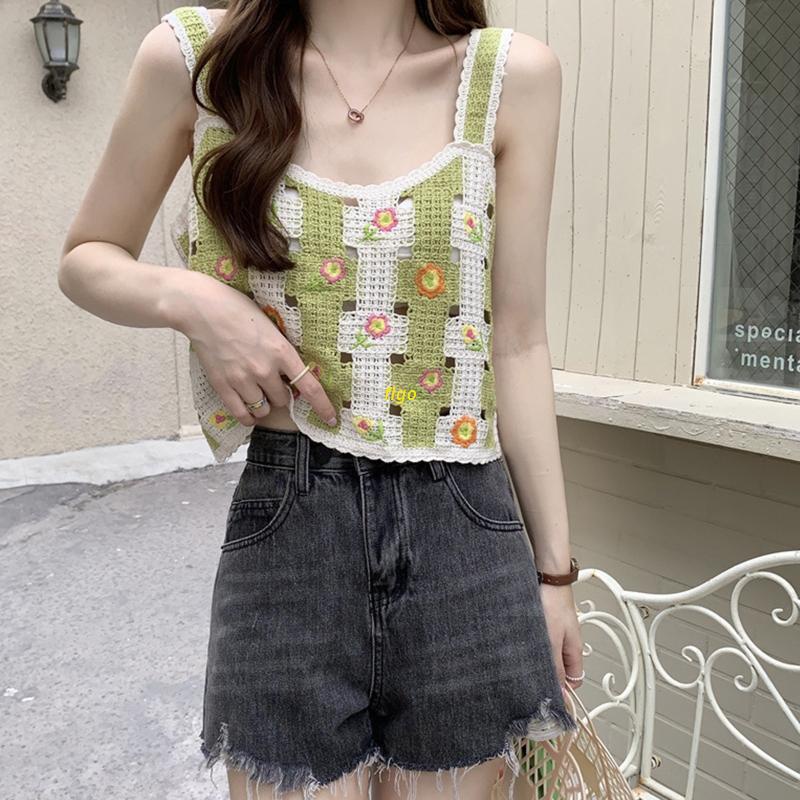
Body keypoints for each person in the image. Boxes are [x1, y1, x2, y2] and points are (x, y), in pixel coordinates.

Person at [58, 1, 584, 798]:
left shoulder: (510, 78)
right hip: (290, 516)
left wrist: (555, 577)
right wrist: (196, 302)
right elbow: (86, 257)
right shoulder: (198, 61)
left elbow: (516, 340)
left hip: (465, 523)